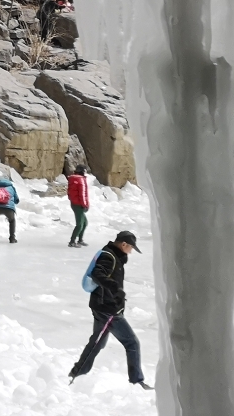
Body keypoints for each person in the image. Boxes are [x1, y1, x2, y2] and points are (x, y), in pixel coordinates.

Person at [69, 230, 151, 389]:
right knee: (132, 343)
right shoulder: (108, 256)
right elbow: (97, 274)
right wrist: (116, 290)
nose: (131, 251)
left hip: (102, 306)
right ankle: (137, 381)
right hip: (108, 309)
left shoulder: (112, 255)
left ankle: (77, 374)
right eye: (131, 248)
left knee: (97, 342)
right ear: (124, 244)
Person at [0, 175, 19, 243]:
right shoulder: (11, 187)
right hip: (9, 209)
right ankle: (12, 238)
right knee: (12, 221)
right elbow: (17, 200)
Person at [66, 165, 90, 247]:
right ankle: (72, 242)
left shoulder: (73, 179)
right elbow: (82, 194)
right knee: (80, 224)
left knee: (85, 223)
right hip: (79, 205)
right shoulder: (80, 180)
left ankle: (80, 240)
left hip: (74, 204)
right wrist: (85, 205)